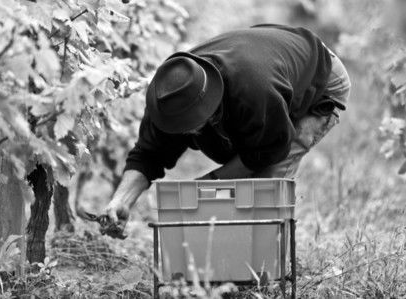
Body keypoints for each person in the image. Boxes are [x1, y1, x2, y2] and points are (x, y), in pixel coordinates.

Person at [100, 24, 351, 239]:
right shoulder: (170, 94)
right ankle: (227, 262)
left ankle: (259, 273)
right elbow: (148, 155)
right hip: (266, 57)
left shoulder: (253, 91)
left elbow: (269, 151)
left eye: (192, 124)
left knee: (265, 187)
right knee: (233, 192)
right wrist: (121, 200)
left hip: (318, 74)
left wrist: (208, 183)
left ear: (212, 104)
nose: (186, 132)